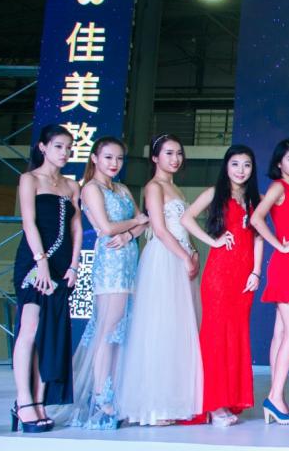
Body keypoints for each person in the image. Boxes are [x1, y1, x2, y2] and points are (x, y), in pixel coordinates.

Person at [114, 134, 203, 425]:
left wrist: (192, 252)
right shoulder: (154, 187)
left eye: (178, 153)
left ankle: (174, 400)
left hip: (181, 256)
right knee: (160, 328)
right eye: (168, 153)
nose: (175, 159)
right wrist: (184, 256)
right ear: (155, 158)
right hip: (164, 258)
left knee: (179, 329)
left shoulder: (174, 188)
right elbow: (161, 230)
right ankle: (154, 407)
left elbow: (183, 227)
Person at [64, 137, 146, 430]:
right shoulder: (90, 189)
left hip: (128, 261)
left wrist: (128, 234)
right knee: (107, 328)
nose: (114, 163)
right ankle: (100, 395)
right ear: (95, 158)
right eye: (109, 157)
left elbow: (143, 223)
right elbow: (107, 227)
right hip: (109, 264)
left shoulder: (122, 189)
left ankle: (113, 391)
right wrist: (131, 225)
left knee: (120, 331)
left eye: (119, 158)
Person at [181, 145, 263, 427]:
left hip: (244, 277)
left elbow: (259, 238)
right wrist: (212, 241)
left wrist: (256, 271)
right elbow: (186, 219)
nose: (241, 170)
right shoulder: (215, 193)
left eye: (247, 165)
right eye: (235, 164)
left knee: (236, 337)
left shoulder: (255, 199)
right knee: (216, 338)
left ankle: (228, 400)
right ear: (226, 166)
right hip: (219, 275)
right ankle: (213, 404)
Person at [11, 125, 82, 433]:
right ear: (43, 147)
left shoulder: (71, 185)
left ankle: (39, 401)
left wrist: (74, 266)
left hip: (62, 266)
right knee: (29, 328)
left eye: (68, 147)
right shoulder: (29, 179)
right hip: (33, 262)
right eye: (58, 146)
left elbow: (77, 228)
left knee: (48, 334)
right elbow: (28, 223)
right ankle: (23, 400)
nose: (65, 152)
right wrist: (41, 263)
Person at [250, 138, 289, 424]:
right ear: (279, 163)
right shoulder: (278, 187)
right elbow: (256, 219)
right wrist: (279, 245)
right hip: (285, 265)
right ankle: (274, 398)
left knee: (281, 333)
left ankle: (277, 397)